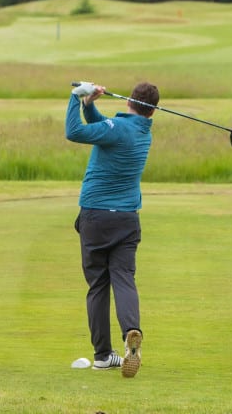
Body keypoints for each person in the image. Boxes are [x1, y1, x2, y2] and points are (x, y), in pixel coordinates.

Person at [65, 80, 160, 378]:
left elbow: (74, 132)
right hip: (127, 219)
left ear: (130, 100)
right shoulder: (143, 132)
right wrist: (90, 105)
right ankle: (131, 330)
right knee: (124, 278)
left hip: (96, 216)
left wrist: (74, 98)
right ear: (152, 110)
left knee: (98, 286)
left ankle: (104, 354)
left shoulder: (118, 129)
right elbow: (104, 128)